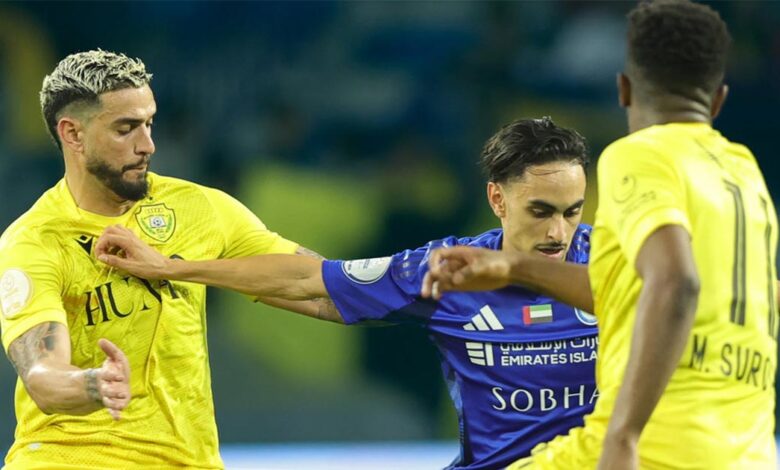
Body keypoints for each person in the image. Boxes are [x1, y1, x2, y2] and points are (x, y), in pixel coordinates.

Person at [96, 117, 599, 469]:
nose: (558, 232)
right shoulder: (446, 268)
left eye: (572, 211)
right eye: (540, 211)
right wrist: (175, 269)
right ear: (497, 199)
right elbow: (312, 281)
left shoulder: (612, 260)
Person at [424, 1, 777, 469]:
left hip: (654, 446)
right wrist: (514, 267)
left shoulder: (640, 155)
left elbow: (676, 282)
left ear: (624, 88)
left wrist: (624, 435)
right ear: (718, 99)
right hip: (744, 452)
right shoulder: (745, 174)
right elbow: (640, 290)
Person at [0, 50, 318, 469]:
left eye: (149, 124)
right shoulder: (34, 241)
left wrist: (402, 281)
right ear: (73, 134)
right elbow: (43, 377)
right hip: (73, 458)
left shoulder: (200, 209)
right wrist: (93, 383)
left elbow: (317, 287)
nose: (147, 145)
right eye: (126, 129)